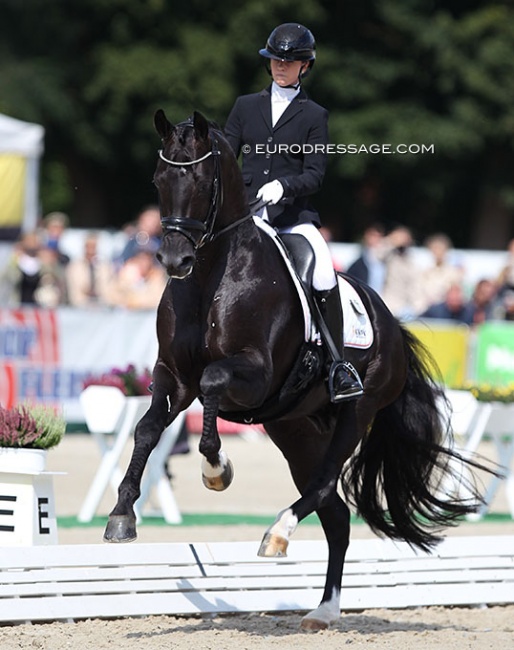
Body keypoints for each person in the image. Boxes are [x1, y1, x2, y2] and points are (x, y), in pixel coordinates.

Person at [224, 22, 363, 401]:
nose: (280, 67)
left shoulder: (314, 115)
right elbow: (226, 159)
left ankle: (338, 365)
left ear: (305, 66)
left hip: (292, 218)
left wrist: (284, 186)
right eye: (275, 61)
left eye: (290, 62)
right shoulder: (245, 107)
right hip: (246, 216)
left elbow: (315, 175)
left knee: (322, 271)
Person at [66, 232, 116, 307]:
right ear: (84, 246)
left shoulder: (105, 266)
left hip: (102, 304)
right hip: (80, 305)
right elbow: (75, 289)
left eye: (93, 246)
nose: (91, 249)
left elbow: (108, 287)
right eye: (89, 245)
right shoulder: (74, 266)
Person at [346, 222, 387, 294]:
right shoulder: (358, 265)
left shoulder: (387, 260)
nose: (375, 240)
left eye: (378, 237)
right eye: (373, 236)